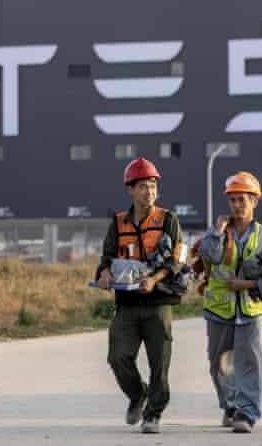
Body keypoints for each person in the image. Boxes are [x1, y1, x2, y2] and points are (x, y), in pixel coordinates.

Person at [94, 157, 185, 434]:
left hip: (157, 302)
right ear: (130, 189)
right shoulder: (118, 222)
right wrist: (104, 274)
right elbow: (106, 257)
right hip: (127, 304)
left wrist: (154, 278)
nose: (150, 192)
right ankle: (137, 395)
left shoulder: (168, 219)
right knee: (117, 356)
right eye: (144, 186)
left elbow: (178, 258)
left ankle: (153, 414)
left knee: (160, 363)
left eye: (153, 186)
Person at [197, 171, 262, 433]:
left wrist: (246, 285)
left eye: (242, 200)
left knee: (248, 363)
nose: (236, 205)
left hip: (250, 310)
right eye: (232, 200)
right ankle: (230, 406)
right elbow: (209, 258)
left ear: (255, 201)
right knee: (218, 362)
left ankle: (247, 413)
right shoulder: (220, 233)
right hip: (218, 310)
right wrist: (216, 232)